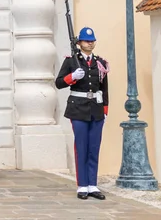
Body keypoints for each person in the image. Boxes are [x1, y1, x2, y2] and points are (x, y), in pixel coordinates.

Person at [56, 26, 109, 201]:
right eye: (87, 41)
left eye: (92, 40)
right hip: (78, 108)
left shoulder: (100, 62)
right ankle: (82, 185)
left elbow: (104, 88)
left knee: (94, 147)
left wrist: (105, 109)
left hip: (96, 109)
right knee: (82, 147)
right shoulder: (71, 61)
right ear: (79, 43)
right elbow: (58, 83)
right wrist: (72, 77)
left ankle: (93, 185)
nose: (90, 43)